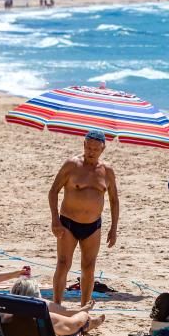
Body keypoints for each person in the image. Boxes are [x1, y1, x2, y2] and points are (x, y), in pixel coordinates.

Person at [48, 130, 119, 306]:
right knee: (63, 263)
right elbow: (53, 191)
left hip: (93, 226)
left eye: (95, 149)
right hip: (67, 223)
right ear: (84, 145)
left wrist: (113, 228)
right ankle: (57, 304)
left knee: (89, 267)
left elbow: (114, 200)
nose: (91, 152)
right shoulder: (72, 165)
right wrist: (55, 220)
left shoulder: (107, 171)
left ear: (103, 149)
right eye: (88, 147)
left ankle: (84, 307)